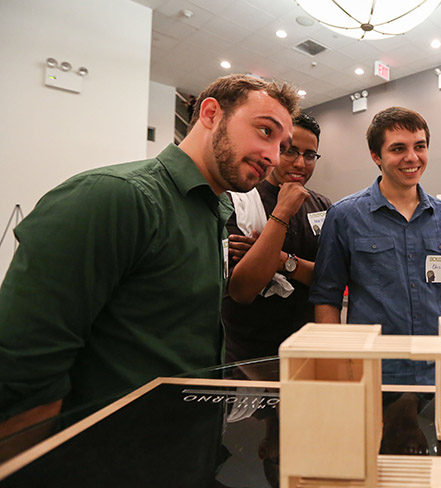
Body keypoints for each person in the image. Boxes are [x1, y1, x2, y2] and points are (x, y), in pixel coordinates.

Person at [0, 74, 299, 434]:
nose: (273, 157)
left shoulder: (213, 212)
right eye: (266, 131)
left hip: (180, 442)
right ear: (210, 114)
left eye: (282, 145)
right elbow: (26, 367)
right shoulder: (116, 197)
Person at [309, 106, 441, 385]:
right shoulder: (345, 216)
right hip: (373, 372)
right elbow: (327, 296)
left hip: (437, 370)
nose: (412, 157)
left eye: (419, 146)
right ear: (376, 156)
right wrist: (338, 365)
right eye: (398, 149)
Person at [222, 113, 332, 362]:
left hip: (307, 345)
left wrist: (281, 260)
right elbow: (243, 289)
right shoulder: (238, 200)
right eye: (290, 151)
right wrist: (282, 211)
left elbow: (330, 278)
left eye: (310, 155)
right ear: (276, 149)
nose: (300, 164)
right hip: (249, 352)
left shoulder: (322, 206)